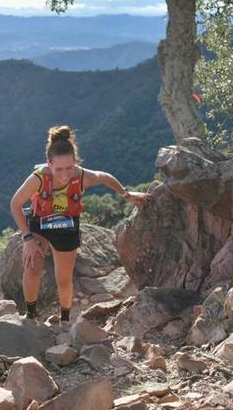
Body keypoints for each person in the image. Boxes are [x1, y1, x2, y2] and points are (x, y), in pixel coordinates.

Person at [9, 125, 151, 325]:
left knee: (64, 279)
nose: (65, 174)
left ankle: (65, 320)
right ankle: (31, 316)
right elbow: (15, 204)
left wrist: (126, 195)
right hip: (39, 223)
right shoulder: (38, 178)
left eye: (69, 167)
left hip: (66, 226)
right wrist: (27, 239)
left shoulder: (82, 176)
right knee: (32, 268)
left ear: (75, 162)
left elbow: (104, 177)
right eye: (59, 169)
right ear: (49, 164)